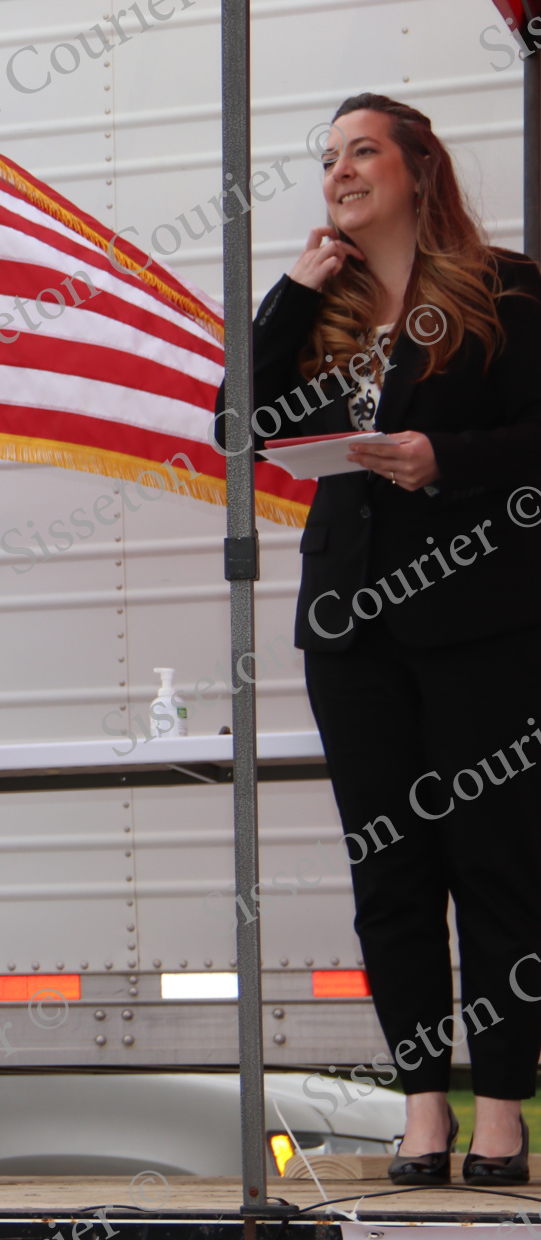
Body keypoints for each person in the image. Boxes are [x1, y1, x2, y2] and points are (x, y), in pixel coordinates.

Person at [217, 93, 541, 1186]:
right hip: (352, 629)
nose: (341, 171)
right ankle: (420, 1108)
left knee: (493, 863)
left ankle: (500, 1108)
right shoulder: (325, 302)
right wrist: (288, 293)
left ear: (418, 170)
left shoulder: (504, 289)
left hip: (483, 622)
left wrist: (445, 459)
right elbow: (237, 424)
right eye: (329, 158)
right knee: (390, 870)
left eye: (363, 152)